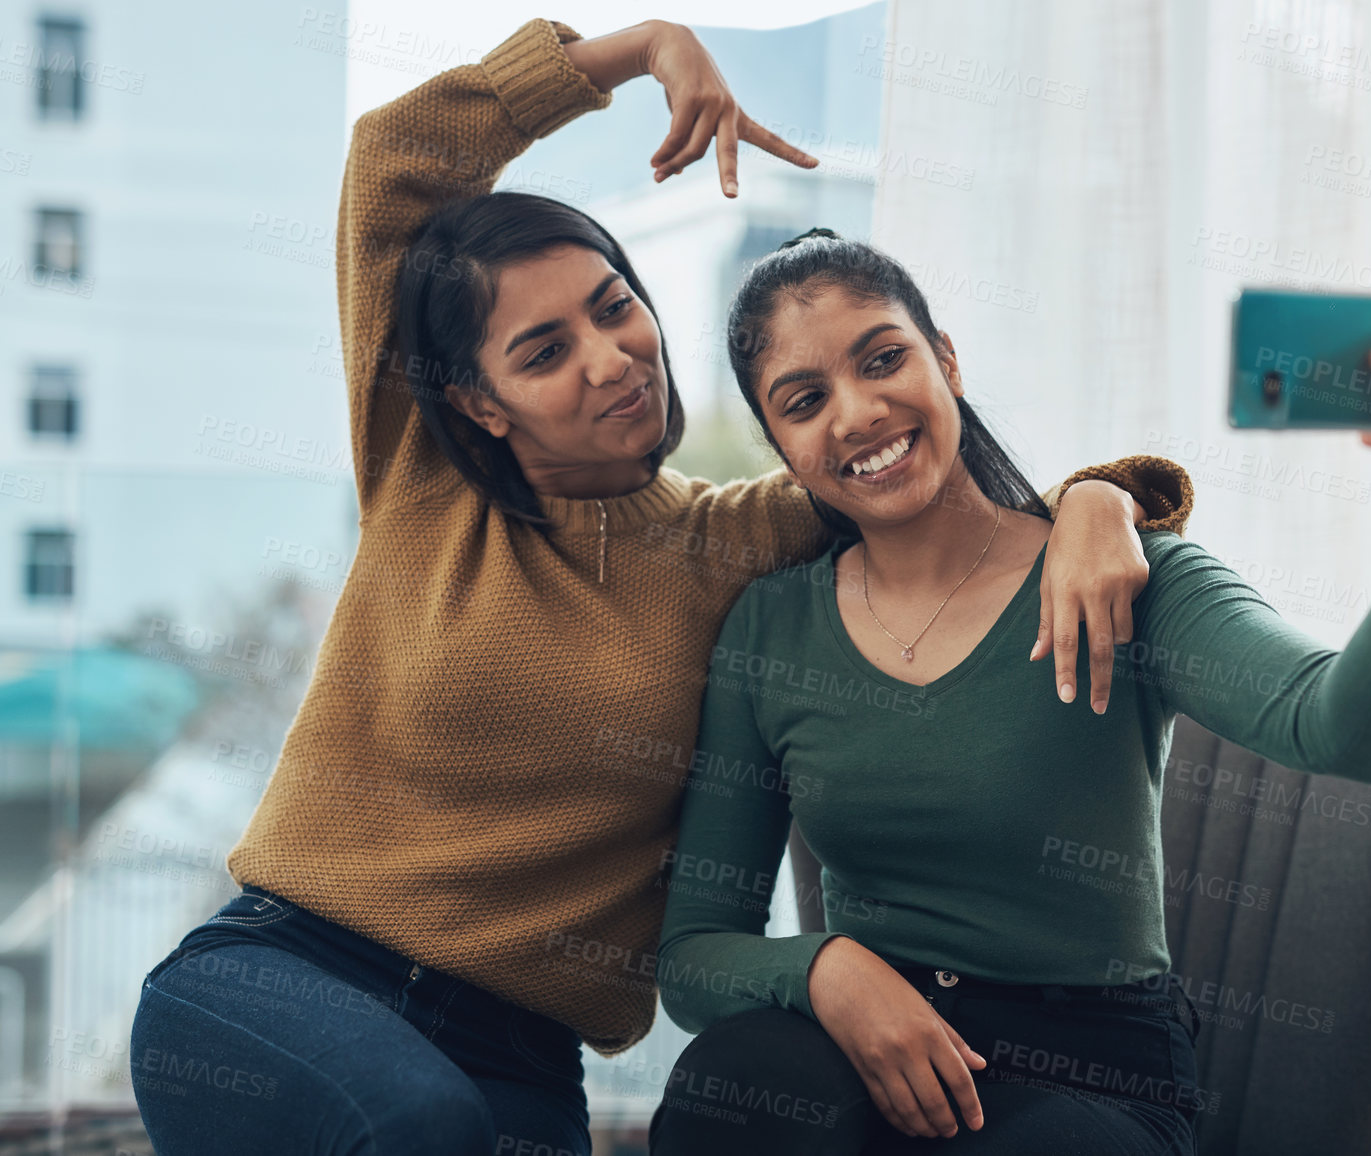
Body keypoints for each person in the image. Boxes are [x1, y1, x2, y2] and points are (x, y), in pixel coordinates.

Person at [126, 18, 1198, 1156]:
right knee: (417, 1127)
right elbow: (395, 162)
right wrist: (639, 51)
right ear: (481, 401)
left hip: (518, 1049)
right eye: (541, 352)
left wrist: (1101, 496)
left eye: (612, 304)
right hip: (287, 973)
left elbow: (927, 474)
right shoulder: (424, 480)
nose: (608, 356)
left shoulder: (738, 540)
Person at [650, 230, 1371, 1154]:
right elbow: (695, 957)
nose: (856, 412)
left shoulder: (1127, 573)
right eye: (805, 400)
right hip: (872, 1052)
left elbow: (1344, 731)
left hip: (1090, 1078)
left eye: (884, 358)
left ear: (945, 360)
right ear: (777, 441)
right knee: (731, 1087)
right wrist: (826, 970)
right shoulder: (769, 630)